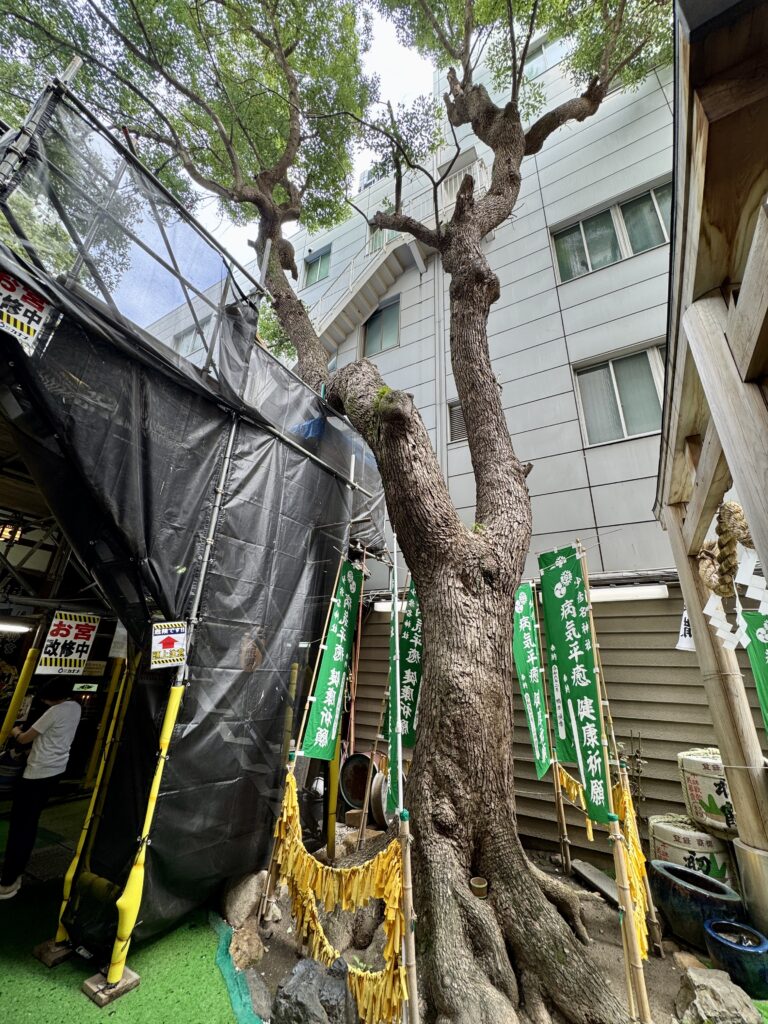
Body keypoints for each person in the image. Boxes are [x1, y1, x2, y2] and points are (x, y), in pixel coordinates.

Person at [0, 677, 82, 899]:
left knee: (21, 827)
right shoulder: (75, 707)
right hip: (55, 770)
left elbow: (26, 738)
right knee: (28, 822)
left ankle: (8, 881)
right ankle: (12, 873)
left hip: (37, 773)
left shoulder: (54, 712)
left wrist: (14, 731)